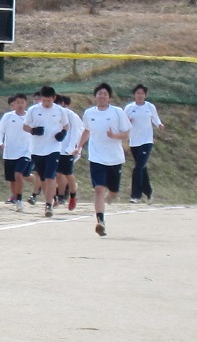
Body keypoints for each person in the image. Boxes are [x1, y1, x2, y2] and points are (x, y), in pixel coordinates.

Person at [78, 83, 131, 237]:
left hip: (114, 158)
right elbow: (86, 131)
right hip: (96, 157)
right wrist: (78, 147)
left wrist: (114, 136)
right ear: (95, 96)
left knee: (113, 192)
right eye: (99, 93)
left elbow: (126, 134)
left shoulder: (117, 112)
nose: (102, 96)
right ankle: (100, 222)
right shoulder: (89, 113)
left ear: (109, 97)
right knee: (99, 189)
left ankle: (112, 195)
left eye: (105, 94)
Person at [23, 86, 72, 219]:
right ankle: (51, 198)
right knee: (43, 177)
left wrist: (63, 133)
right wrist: (33, 130)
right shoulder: (33, 110)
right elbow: (25, 126)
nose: (46, 103)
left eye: (48, 101)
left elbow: (66, 125)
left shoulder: (60, 110)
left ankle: (48, 205)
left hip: (53, 148)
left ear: (54, 98)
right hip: (37, 149)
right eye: (44, 100)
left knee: (50, 176)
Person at [123, 84, 162, 204]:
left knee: (138, 167)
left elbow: (155, 118)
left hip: (146, 141)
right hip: (134, 142)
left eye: (142, 93)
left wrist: (159, 125)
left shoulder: (150, 106)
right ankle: (149, 191)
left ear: (145, 95)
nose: (140, 95)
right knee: (142, 168)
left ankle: (136, 195)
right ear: (134, 95)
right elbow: (123, 123)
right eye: (138, 93)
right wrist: (128, 121)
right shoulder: (129, 108)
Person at [0, 93, 32, 208]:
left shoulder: (30, 117)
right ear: (14, 104)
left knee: (18, 174)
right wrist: (0, 143)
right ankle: (15, 197)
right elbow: (0, 131)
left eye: (22, 102)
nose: (20, 105)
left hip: (25, 151)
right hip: (10, 151)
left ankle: (20, 199)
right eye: (18, 102)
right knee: (12, 179)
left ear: (26, 103)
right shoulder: (8, 116)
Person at [56, 95, 82, 211]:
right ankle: (58, 197)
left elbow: (76, 132)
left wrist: (71, 148)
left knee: (67, 174)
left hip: (67, 150)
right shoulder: (50, 114)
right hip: (54, 149)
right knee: (56, 174)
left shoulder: (71, 115)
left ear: (62, 104)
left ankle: (73, 196)